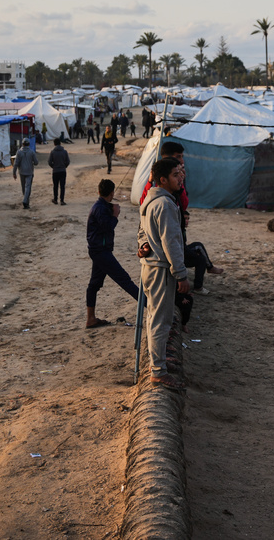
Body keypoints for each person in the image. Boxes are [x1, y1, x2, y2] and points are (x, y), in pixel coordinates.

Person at [137, 157, 190, 391]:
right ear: (162, 180)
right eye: (176, 175)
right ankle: (158, 372)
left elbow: (142, 231)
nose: (181, 178)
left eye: (181, 173)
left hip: (150, 267)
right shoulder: (165, 204)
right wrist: (181, 275)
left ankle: (158, 364)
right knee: (160, 320)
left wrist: (143, 244)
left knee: (154, 318)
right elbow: (171, 243)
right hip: (160, 270)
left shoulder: (151, 200)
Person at [86, 178, 139, 328]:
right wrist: (115, 215)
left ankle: (91, 319)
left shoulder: (101, 206)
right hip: (100, 252)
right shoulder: (100, 208)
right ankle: (149, 305)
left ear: (98, 191)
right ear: (112, 193)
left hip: (98, 250)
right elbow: (107, 227)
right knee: (124, 279)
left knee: (94, 284)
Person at [182, 210, 224, 294]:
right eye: (185, 219)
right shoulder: (178, 230)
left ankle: (210, 268)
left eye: (188, 219)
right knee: (201, 259)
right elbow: (182, 249)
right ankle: (198, 287)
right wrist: (195, 255)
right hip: (177, 257)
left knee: (198, 245)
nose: (187, 221)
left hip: (181, 252)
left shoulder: (181, 229)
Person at [12, 140, 38, 209]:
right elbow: (36, 162)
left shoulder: (19, 152)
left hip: (22, 172)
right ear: (29, 144)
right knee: (28, 187)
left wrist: (14, 173)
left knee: (24, 188)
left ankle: (26, 203)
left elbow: (16, 163)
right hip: (29, 172)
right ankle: (25, 201)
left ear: (22, 144)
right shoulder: (32, 152)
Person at [48, 138, 70, 205]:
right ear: (60, 143)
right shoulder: (64, 151)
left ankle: (55, 199)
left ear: (54, 144)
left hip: (55, 171)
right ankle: (62, 200)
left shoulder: (53, 152)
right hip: (63, 171)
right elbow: (68, 161)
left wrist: (53, 166)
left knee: (55, 186)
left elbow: (49, 162)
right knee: (62, 186)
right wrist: (64, 166)